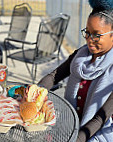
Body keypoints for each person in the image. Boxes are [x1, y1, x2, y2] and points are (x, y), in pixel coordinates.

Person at [38, 1, 113, 142]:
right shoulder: (81, 55)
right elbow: (54, 76)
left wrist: (74, 139)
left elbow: (99, 119)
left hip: (94, 134)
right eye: (87, 33)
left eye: (97, 35)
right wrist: (35, 93)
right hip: (69, 125)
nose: (90, 40)